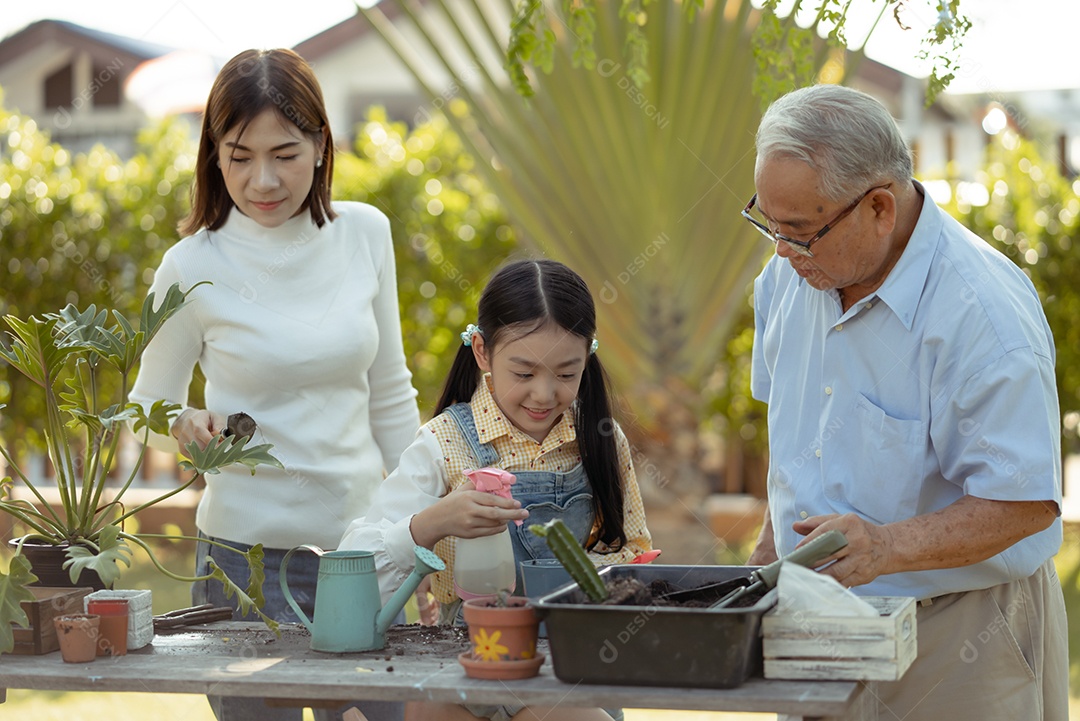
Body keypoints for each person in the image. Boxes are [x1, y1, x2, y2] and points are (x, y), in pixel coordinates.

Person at [744, 83, 1067, 720]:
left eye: (801, 232)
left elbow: (1026, 503)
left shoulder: (982, 312)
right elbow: (793, 444)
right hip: (816, 624)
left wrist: (885, 548)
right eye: (767, 222)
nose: (781, 250)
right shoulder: (786, 276)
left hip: (959, 638)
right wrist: (765, 551)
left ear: (880, 209)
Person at [129, 48, 420, 721]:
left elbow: (390, 392)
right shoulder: (189, 265)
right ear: (213, 153)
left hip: (364, 554)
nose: (262, 179)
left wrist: (416, 529)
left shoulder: (366, 235)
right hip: (243, 568)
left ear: (321, 144)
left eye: (285, 153)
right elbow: (146, 403)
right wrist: (183, 421)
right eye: (239, 155)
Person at [340, 259, 652, 721]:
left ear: (589, 355)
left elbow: (632, 554)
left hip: (572, 662)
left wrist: (608, 579)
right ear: (483, 352)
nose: (545, 394)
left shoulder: (601, 439)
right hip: (466, 662)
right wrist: (432, 523)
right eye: (523, 373)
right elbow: (354, 576)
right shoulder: (443, 443)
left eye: (567, 373)